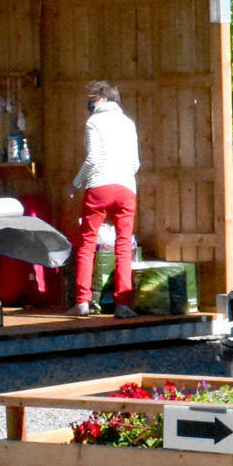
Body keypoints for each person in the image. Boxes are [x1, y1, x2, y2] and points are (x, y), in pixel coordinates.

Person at [70, 80, 141, 318]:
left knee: (87, 244)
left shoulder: (94, 122)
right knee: (124, 245)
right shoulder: (129, 124)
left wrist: (76, 184)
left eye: (91, 98)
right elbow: (136, 163)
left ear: (101, 99)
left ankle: (82, 301)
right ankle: (123, 304)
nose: (88, 103)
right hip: (126, 188)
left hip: (99, 186)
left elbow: (92, 159)